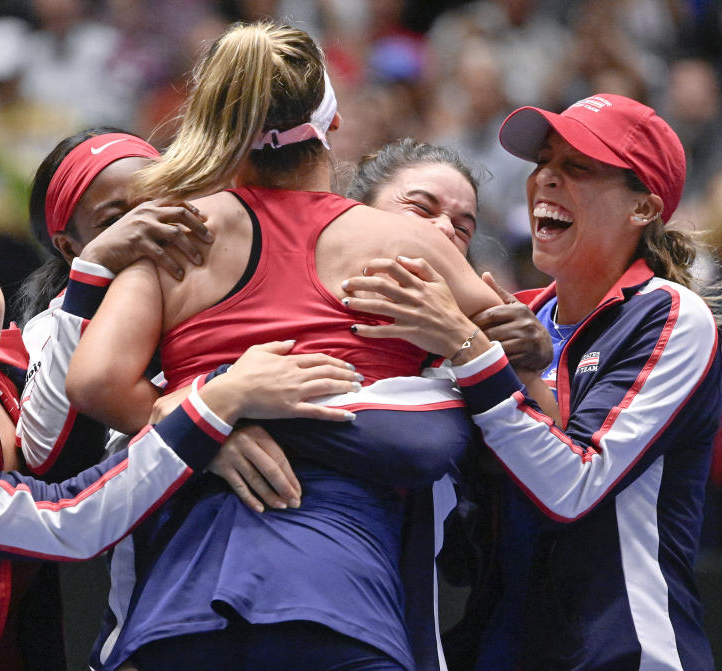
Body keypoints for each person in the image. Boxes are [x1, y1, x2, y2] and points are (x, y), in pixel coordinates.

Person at [65, 21, 505, 671]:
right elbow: (530, 387)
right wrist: (470, 338)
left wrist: (203, 417)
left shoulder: (179, 233)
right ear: (327, 121)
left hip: (184, 601)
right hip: (345, 598)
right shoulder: (408, 244)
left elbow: (95, 380)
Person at [0, 189, 363, 670]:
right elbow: (71, 520)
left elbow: (69, 382)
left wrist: (96, 266)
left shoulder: (11, 363)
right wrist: (216, 406)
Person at [342, 93, 722, 670]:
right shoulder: (515, 315)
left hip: (620, 650)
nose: (545, 179)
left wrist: (471, 349)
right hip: (500, 645)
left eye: (578, 168)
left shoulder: (668, 314)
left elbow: (573, 486)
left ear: (643, 208)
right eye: (544, 162)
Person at [13, 127, 212, 480]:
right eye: (114, 221)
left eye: (154, 203)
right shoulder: (52, 324)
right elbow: (47, 459)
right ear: (71, 248)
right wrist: (91, 273)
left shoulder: (221, 271)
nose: (144, 227)